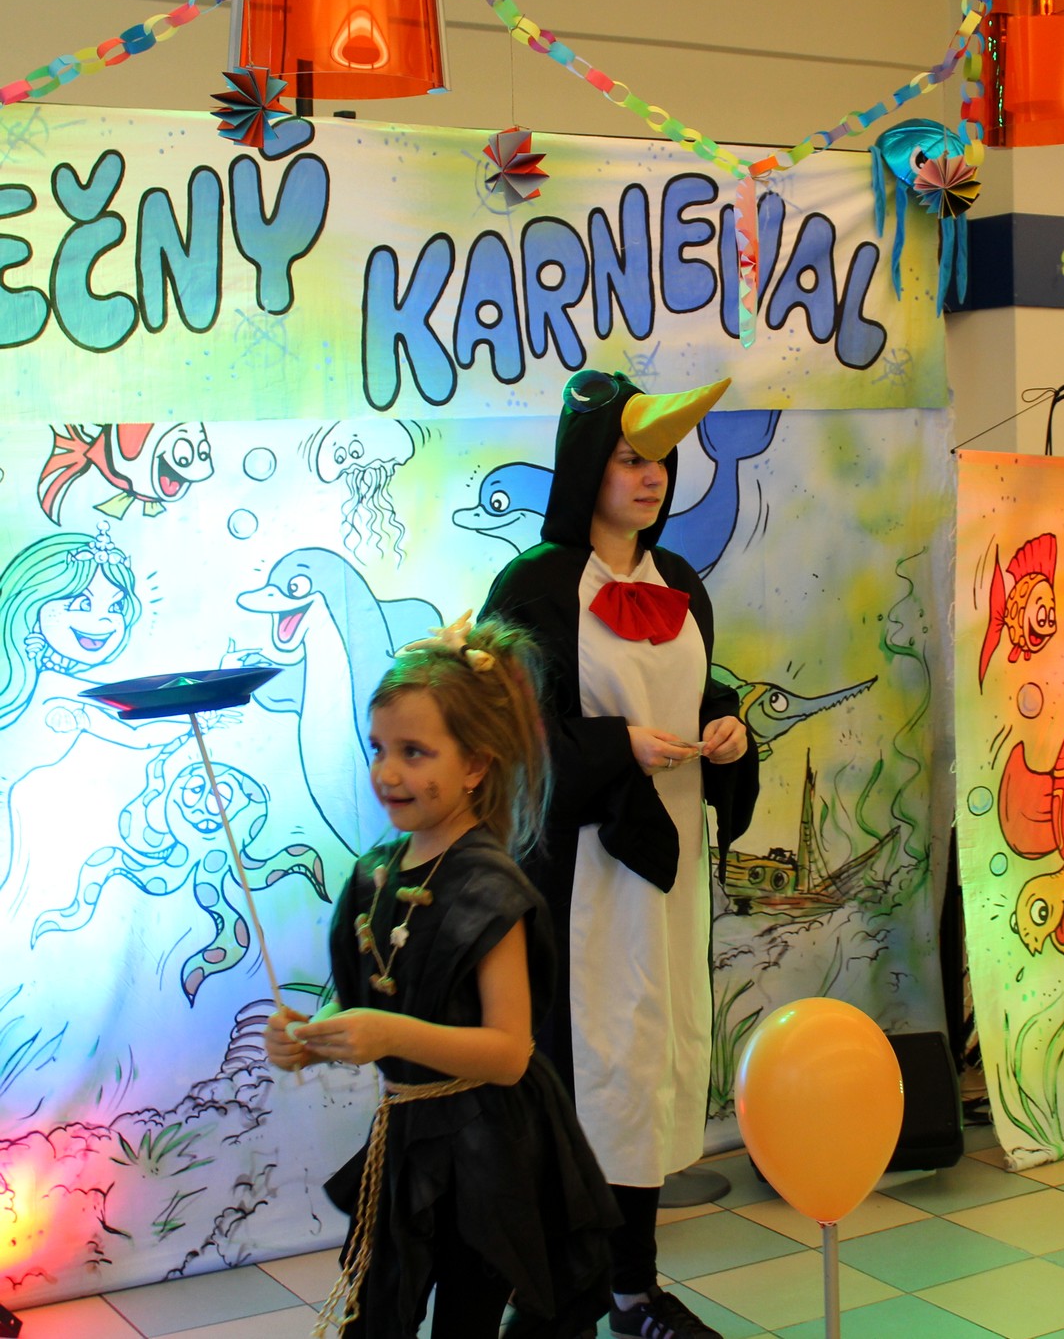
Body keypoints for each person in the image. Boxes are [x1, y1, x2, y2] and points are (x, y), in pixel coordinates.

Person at [482, 371, 758, 1339]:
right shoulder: (532, 588)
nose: (652, 479)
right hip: (580, 879)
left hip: (664, 873)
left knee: (645, 1065)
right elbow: (509, 737)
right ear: (585, 466)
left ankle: (635, 1288)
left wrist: (726, 728)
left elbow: (697, 688)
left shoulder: (680, 581)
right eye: (630, 460)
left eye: (660, 463)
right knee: (578, 1071)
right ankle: (551, 1298)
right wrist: (615, 749)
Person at [265, 612, 618, 1339]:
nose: (388, 772)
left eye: (415, 752)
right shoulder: (374, 875)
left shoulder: (490, 889)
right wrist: (308, 1037)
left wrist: (389, 1035)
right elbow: (370, 995)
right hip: (411, 1132)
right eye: (379, 748)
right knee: (379, 1308)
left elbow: (508, 1053)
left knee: (466, 1313)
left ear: (476, 766)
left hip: (492, 1148)